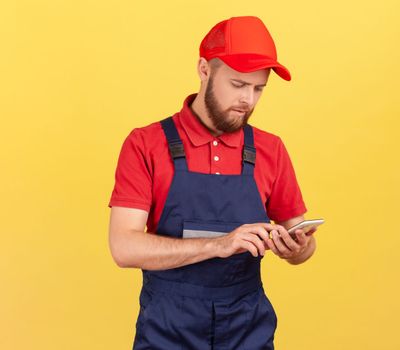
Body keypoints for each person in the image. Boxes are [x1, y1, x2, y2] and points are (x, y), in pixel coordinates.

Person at [108, 15, 318, 349]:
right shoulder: (145, 144)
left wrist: (297, 248)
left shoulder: (270, 149)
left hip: (248, 328)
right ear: (204, 69)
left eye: (258, 88)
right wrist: (221, 244)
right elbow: (124, 247)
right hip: (167, 331)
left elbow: (303, 247)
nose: (247, 100)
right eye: (238, 85)